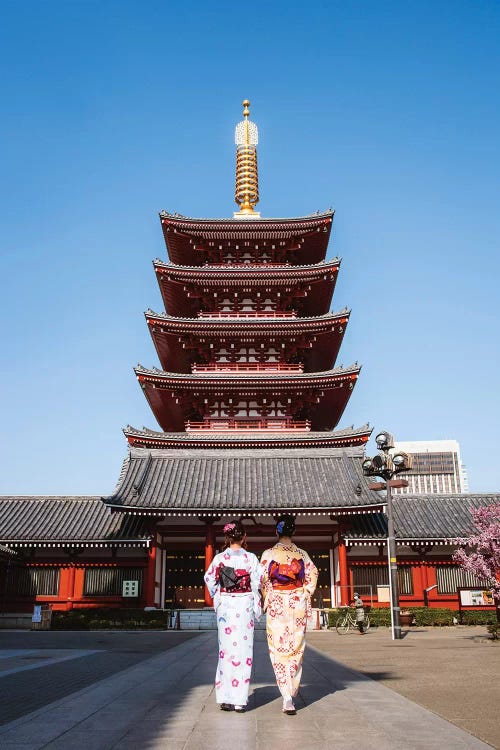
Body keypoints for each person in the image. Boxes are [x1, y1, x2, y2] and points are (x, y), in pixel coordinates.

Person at [260, 515, 318, 715]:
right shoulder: (302, 554)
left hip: (277, 602)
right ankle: (290, 692)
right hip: (296, 603)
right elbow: (312, 575)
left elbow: (262, 579)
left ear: (277, 531)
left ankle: (285, 695)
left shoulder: (268, 554)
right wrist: (305, 592)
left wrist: (268, 595)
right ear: (293, 532)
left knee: (277, 648)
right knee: (296, 647)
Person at [204, 520, 263, 713]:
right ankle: (239, 700)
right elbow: (258, 581)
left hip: (227, 606)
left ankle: (225, 698)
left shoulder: (220, 558)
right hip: (244, 604)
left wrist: (218, 595)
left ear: (227, 537)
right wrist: (256, 602)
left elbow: (209, 578)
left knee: (226, 651)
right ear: (244, 536)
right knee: (244, 652)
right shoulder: (251, 558)